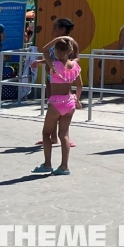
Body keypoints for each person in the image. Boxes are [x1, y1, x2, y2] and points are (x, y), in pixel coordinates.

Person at [32, 36, 82, 175]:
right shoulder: (75, 66)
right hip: (70, 102)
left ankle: (47, 164)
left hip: (56, 103)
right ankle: (64, 166)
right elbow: (79, 86)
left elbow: (44, 50)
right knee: (64, 135)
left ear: (57, 52)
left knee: (46, 133)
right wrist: (77, 99)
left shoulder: (54, 64)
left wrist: (59, 38)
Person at [34, 17, 76, 147]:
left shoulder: (69, 43)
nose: (52, 29)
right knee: (52, 107)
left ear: (62, 29)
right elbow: (51, 58)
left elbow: (74, 58)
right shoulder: (55, 44)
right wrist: (41, 63)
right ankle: (53, 137)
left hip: (61, 80)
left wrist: (66, 69)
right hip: (51, 78)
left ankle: (65, 136)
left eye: (55, 27)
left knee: (62, 108)